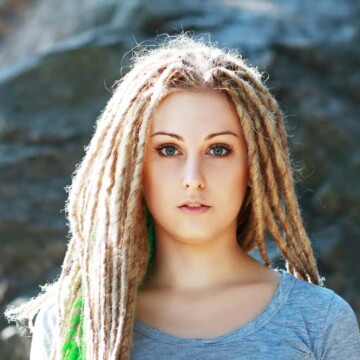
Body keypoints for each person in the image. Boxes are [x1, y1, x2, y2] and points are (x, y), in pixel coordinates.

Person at [4, 32, 360, 360]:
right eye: (168, 150)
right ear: (133, 167)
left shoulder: (319, 320)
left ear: (254, 167)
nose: (193, 179)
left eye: (219, 150)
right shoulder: (77, 320)